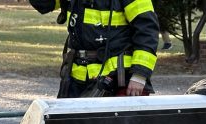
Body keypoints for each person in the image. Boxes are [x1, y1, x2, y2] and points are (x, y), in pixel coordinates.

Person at [28, 0, 159, 98]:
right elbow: (43, 3)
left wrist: (139, 75)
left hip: (117, 80)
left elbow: (147, 30)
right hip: (75, 79)